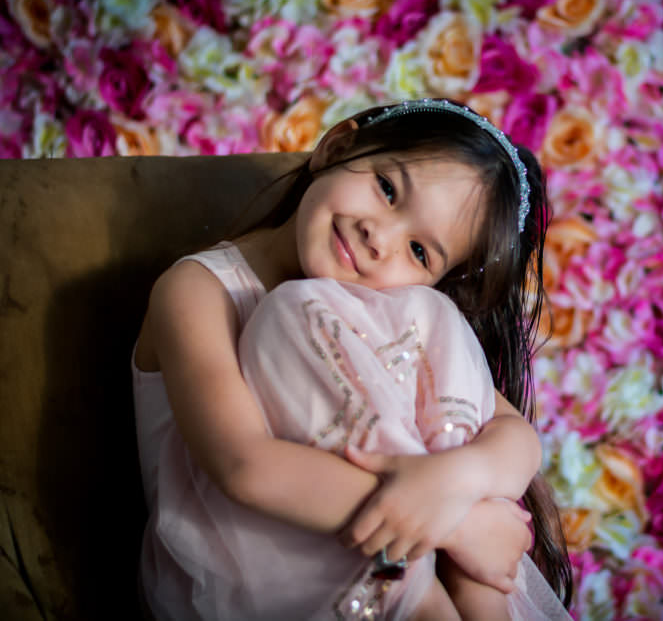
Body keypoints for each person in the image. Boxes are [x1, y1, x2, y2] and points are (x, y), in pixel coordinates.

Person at [131, 99, 573, 619]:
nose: (379, 238)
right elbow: (243, 466)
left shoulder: (403, 310)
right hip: (255, 571)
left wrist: (457, 481)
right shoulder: (199, 290)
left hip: (411, 554)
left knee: (438, 337)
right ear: (337, 147)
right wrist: (455, 524)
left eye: (419, 251)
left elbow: (515, 435)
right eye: (387, 189)